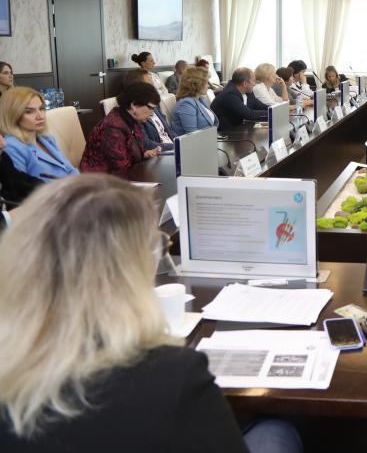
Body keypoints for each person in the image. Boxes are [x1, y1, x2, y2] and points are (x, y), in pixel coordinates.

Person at [0, 173, 303, 453]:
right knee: (276, 430)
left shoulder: (12, 368)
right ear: (127, 265)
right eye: (156, 244)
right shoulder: (173, 374)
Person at [0, 86, 78, 182]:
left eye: (41, 109)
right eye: (29, 111)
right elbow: (21, 188)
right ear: (13, 115)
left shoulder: (47, 138)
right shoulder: (11, 147)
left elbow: (69, 169)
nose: (40, 116)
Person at [80, 82, 161, 173]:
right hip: (100, 179)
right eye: (150, 108)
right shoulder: (112, 128)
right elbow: (121, 169)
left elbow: (129, 156)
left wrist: (145, 155)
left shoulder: (132, 121)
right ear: (134, 105)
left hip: (121, 176)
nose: (152, 113)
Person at [122, 69, 175, 152]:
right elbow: (146, 144)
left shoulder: (153, 103)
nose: (154, 88)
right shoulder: (135, 111)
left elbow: (169, 130)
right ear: (138, 88)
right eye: (150, 85)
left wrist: (180, 142)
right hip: (160, 153)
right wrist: (174, 146)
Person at [171, 66, 219, 136]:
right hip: (196, 141)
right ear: (196, 84)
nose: (208, 86)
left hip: (208, 138)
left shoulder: (200, 99)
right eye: (206, 83)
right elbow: (192, 135)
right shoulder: (186, 104)